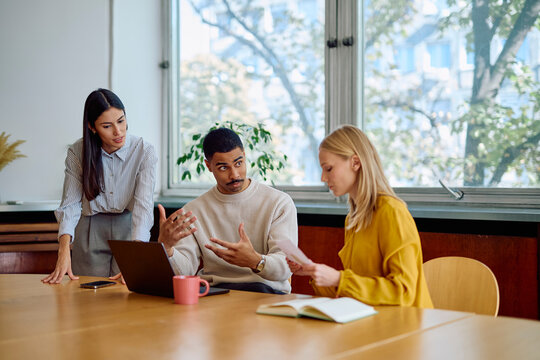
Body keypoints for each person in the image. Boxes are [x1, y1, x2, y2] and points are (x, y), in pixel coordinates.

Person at [288, 125, 433, 307]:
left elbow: (403, 292)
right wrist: (316, 273)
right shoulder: (354, 218)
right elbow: (358, 291)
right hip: (373, 320)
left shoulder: (392, 212)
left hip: (407, 324)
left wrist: (339, 279)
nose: (323, 178)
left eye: (329, 168)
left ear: (355, 163)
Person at [157, 127, 297, 294]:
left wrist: (255, 261)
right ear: (208, 166)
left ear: (245, 156)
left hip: (265, 293)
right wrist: (167, 248)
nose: (235, 175)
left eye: (238, 163)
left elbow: (285, 267)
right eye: (223, 168)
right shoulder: (193, 210)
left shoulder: (278, 203)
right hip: (214, 293)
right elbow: (183, 272)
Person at [42, 88, 157, 283]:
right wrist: (63, 250)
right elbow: (70, 203)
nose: (118, 131)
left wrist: (138, 252)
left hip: (129, 229)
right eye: (107, 126)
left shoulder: (144, 151)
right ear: (92, 127)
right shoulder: (78, 152)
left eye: (121, 120)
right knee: (87, 298)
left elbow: (143, 207)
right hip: (90, 229)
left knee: (126, 295)